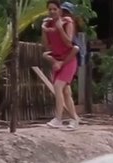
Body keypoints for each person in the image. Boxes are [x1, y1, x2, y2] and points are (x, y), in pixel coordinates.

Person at [41, 0, 82, 129]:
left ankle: (58, 118)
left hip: (68, 60)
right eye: (50, 9)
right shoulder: (49, 23)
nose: (52, 12)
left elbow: (69, 43)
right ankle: (74, 119)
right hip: (57, 60)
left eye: (55, 9)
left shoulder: (67, 22)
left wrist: (59, 28)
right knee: (66, 92)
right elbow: (46, 46)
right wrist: (44, 30)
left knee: (58, 86)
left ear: (60, 10)